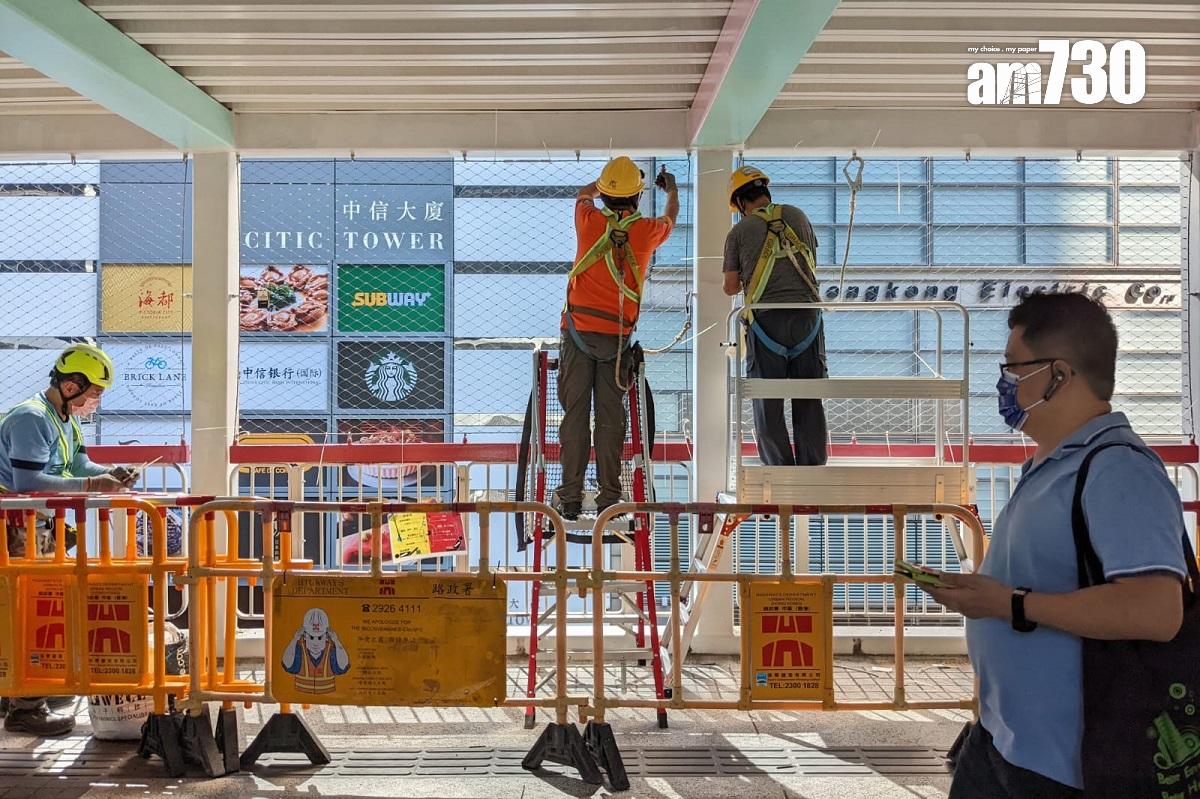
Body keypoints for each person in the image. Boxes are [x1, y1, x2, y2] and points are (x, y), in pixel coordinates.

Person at [919, 292, 1187, 797]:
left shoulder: (1118, 470)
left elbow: (1156, 610)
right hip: (1001, 740)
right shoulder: (1050, 464)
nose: (1004, 384)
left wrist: (1008, 604)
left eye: (1014, 369)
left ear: (1058, 375)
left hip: (1067, 766)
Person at [0, 344, 134, 736]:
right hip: (15, 528)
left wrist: (111, 472)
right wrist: (94, 484)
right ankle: (26, 708)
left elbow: (77, 463)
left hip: (35, 527)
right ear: (72, 385)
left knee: (30, 610)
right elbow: (28, 482)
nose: (96, 401)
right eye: (94, 393)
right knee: (27, 613)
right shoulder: (31, 418)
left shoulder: (63, 418)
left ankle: (24, 689)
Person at [555, 157, 678, 520]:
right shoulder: (648, 231)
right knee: (610, 420)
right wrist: (671, 189)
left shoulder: (588, 221)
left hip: (577, 334)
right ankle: (610, 496)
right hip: (617, 340)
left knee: (575, 417)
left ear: (605, 196)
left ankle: (571, 496)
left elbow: (582, 194)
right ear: (638, 197)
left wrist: (601, 185)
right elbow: (672, 216)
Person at [723, 164, 827, 466]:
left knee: (767, 400)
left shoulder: (739, 231)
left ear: (740, 202)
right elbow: (811, 263)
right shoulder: (799, 216)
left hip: (766, 321)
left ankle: (779, 469)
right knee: (809, 396)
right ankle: (812, 467)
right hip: (808, 318)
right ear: (765, 191)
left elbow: (731, 287)